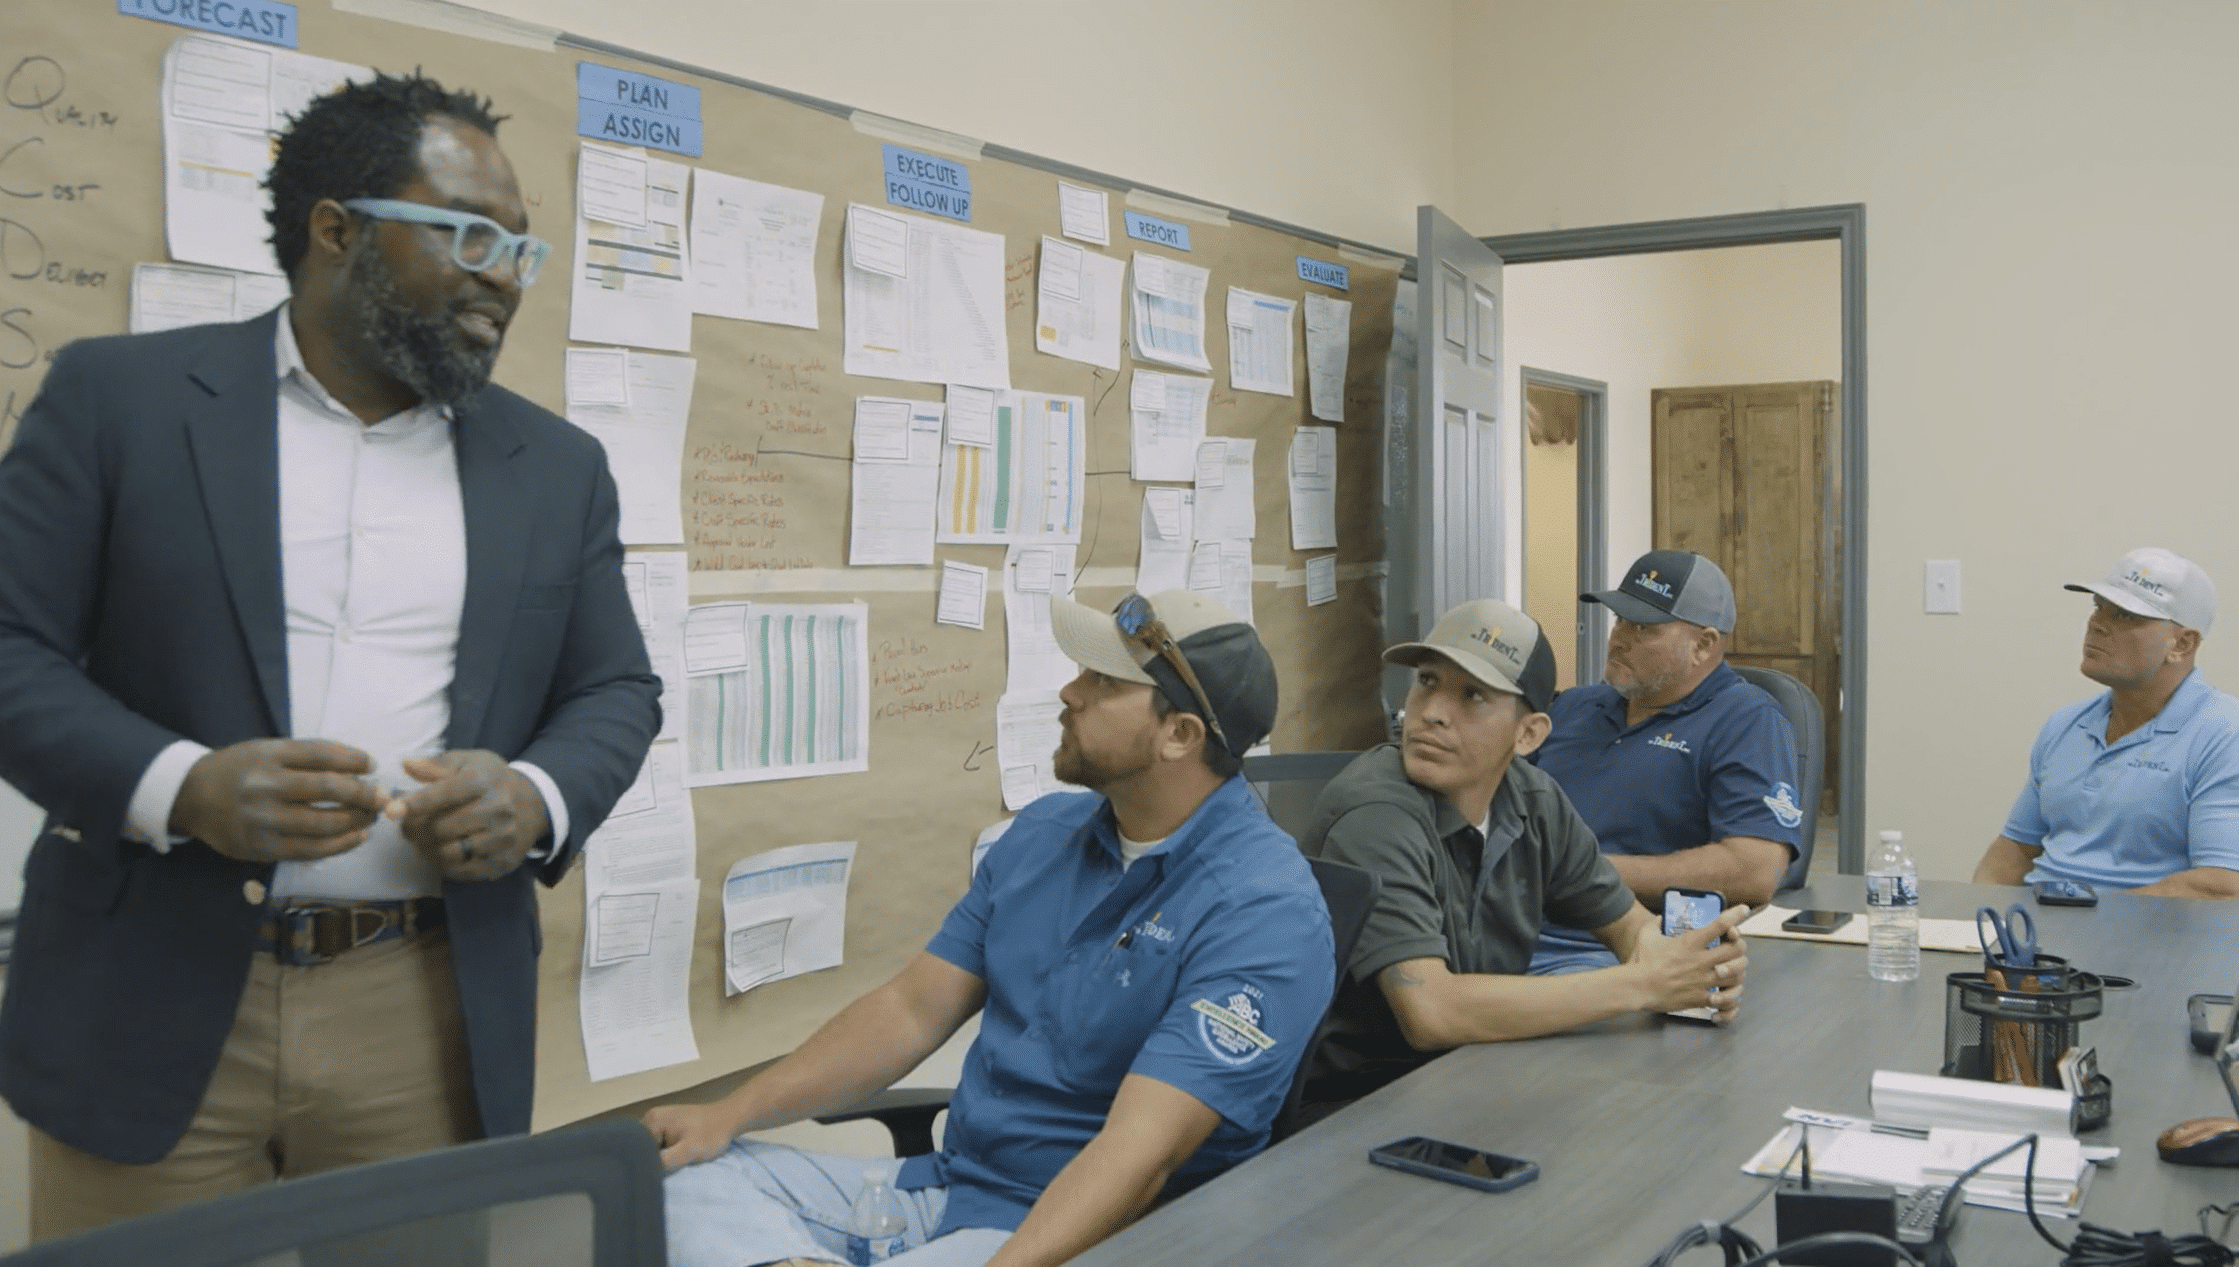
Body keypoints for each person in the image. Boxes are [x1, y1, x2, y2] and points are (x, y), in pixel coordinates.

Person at [0, 72, 661, 1237]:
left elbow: (614, 686)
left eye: (520, 248)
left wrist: (540, 795)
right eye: (466, 234)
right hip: (148, 992)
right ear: (337, 229)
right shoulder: (121, 402)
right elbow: (11, 647)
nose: (504, 275)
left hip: (422, 1003)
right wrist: (179, 785)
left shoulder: (557, 468)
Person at [646, 590, 1333, 1267]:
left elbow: (1141, 1154)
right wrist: (727, 1115)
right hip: (953, 1190)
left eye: (1101, 680)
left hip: (1080, 1232)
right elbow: (909, 1009)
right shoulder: (1043, 834)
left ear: (1178, 734)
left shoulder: (1264, 911)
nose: (1070, 692)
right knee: (671, 1183)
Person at [1298, 599, 1750, 1111]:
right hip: (1353, 1106)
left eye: (1472, 695)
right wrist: (1646, 984)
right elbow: (1431, 1011)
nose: (1431, 714)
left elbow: (1629, 927)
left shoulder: (1533, 800)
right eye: (1427, 681)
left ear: (1529, 734)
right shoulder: (1376, 813)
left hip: (1474, 1073)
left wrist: (1690, 969)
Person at [1527, 550, 1801, 975]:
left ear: (1703, 645)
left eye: (1643, 628)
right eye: (1619, 620)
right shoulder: (1573, 707)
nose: (1618, 638)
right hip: (1506, 928)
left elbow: (1755, 869)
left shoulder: (1747, 720)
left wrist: (1579, 873)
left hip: (1617, 949)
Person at [1975, 547, 2239, 899]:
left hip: (2147, 944)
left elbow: (2221, 885)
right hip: (2044, 936)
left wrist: (2091, 927)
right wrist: (1975, 922)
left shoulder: (2223, 734)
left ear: (2182, 643)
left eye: (2127, 616)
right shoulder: (2066, 724)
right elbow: (2015, 851)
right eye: (2099, 607)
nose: (2097, 624)